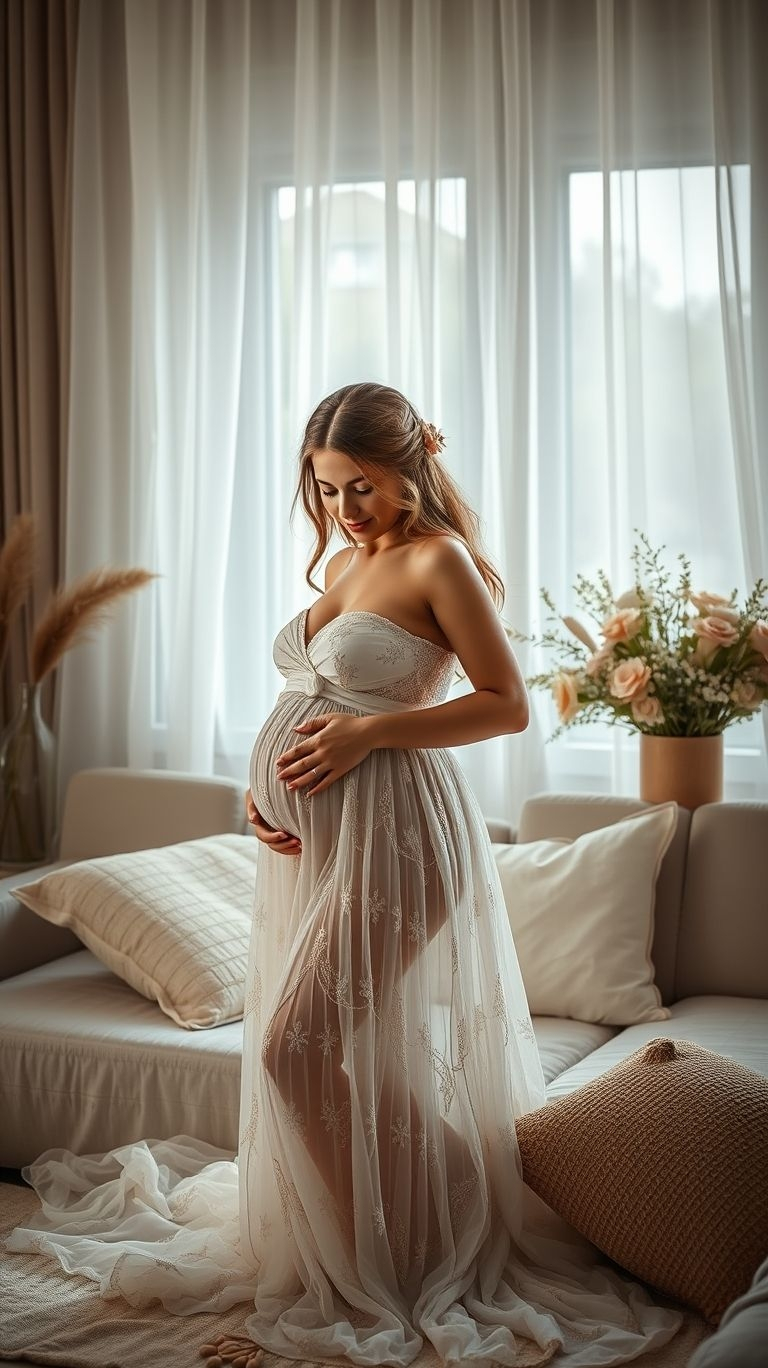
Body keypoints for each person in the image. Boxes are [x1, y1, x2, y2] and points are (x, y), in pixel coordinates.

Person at [8, 383, 683, 1367]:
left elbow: (505, 704)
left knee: (296, 1049)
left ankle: (406, 1252)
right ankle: (408, 1225)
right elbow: (311, 698)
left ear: (412, 464)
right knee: (328, 1055)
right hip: (321, 843)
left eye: (361, 486)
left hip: (402, 838)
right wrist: (266, 801)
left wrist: (369, 733)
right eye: (327, 490)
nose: (344, 509)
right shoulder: (347, 561)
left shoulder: (438, 559)